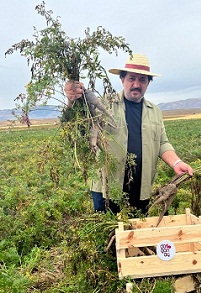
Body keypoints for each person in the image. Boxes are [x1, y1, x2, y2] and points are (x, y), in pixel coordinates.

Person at [64, 54, 193, 214]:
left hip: (141, 188)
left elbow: (162, 143)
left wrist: (176, 163)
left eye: (142, 80)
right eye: (132, 78)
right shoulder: (103, 105)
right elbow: (79, 128)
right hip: (107, 188)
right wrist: (72, 99)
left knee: (138, 234)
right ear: (122, 79)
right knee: (110, 235)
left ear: (148, 83)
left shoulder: (155, 111)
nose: (136, 84)